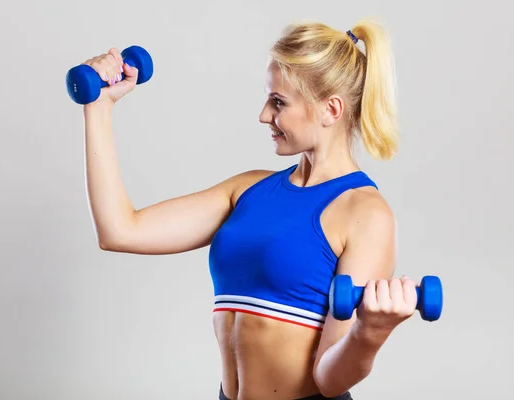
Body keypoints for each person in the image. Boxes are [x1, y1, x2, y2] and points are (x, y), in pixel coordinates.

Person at [81, 18, 418, 400]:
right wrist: (98, 108)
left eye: (278, 102)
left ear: (331, 110)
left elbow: (330, 379)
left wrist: (370, 332)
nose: (263, 115)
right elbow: (119, 231)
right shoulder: (248, 189)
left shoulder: (366, 214)